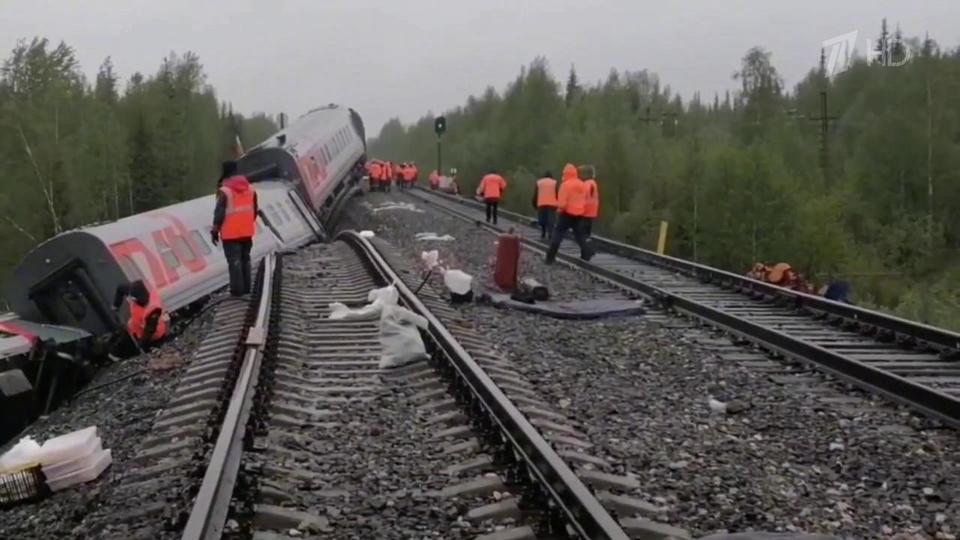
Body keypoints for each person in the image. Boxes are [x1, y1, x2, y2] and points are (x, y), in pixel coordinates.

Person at [212, 160, 259, 296]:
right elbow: (254, 210)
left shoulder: (224, 191)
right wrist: (247, 223)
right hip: (247, 232)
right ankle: (246, 289)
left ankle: (237, 291)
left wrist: (215, 231)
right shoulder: (250, 189)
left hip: (230, 234)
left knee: (235, 261)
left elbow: (219, 214)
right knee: (246, 258)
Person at [545, 163, 593, 263]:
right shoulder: (582, 184)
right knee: (580, 236)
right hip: (579, 214)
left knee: (558, 235)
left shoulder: (565, 185)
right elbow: (585, 199)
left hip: (566, 214)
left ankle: (550, 258)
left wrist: (559, 211)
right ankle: (587, 255)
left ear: (566, 173)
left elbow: (562, 203)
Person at [112, 280, 168, 350]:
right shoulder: (132, 290)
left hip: (155, 335)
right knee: (129, 327)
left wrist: (142, 346)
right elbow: (120, 288)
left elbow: (149, 331)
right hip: (137, 327)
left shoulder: (154, 309)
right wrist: (116, 305)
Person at [531, 171, 558, 240]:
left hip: (541, 203)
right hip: (552, 204)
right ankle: (550, 234)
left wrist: (534, 204)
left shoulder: (539, 182)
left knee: (542, 219)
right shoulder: (554, 182)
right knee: (551, 220)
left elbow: (536, 194)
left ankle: (543, 233)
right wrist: (558, 204)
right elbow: (557, 194)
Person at [581, 165, 599, 238]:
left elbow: (582, 196)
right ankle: (587, 240)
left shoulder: (586, 184)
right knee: (588, 227)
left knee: (583, 229)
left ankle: (584, 244)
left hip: (585, 209)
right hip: (592, 209)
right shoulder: (594, 183)